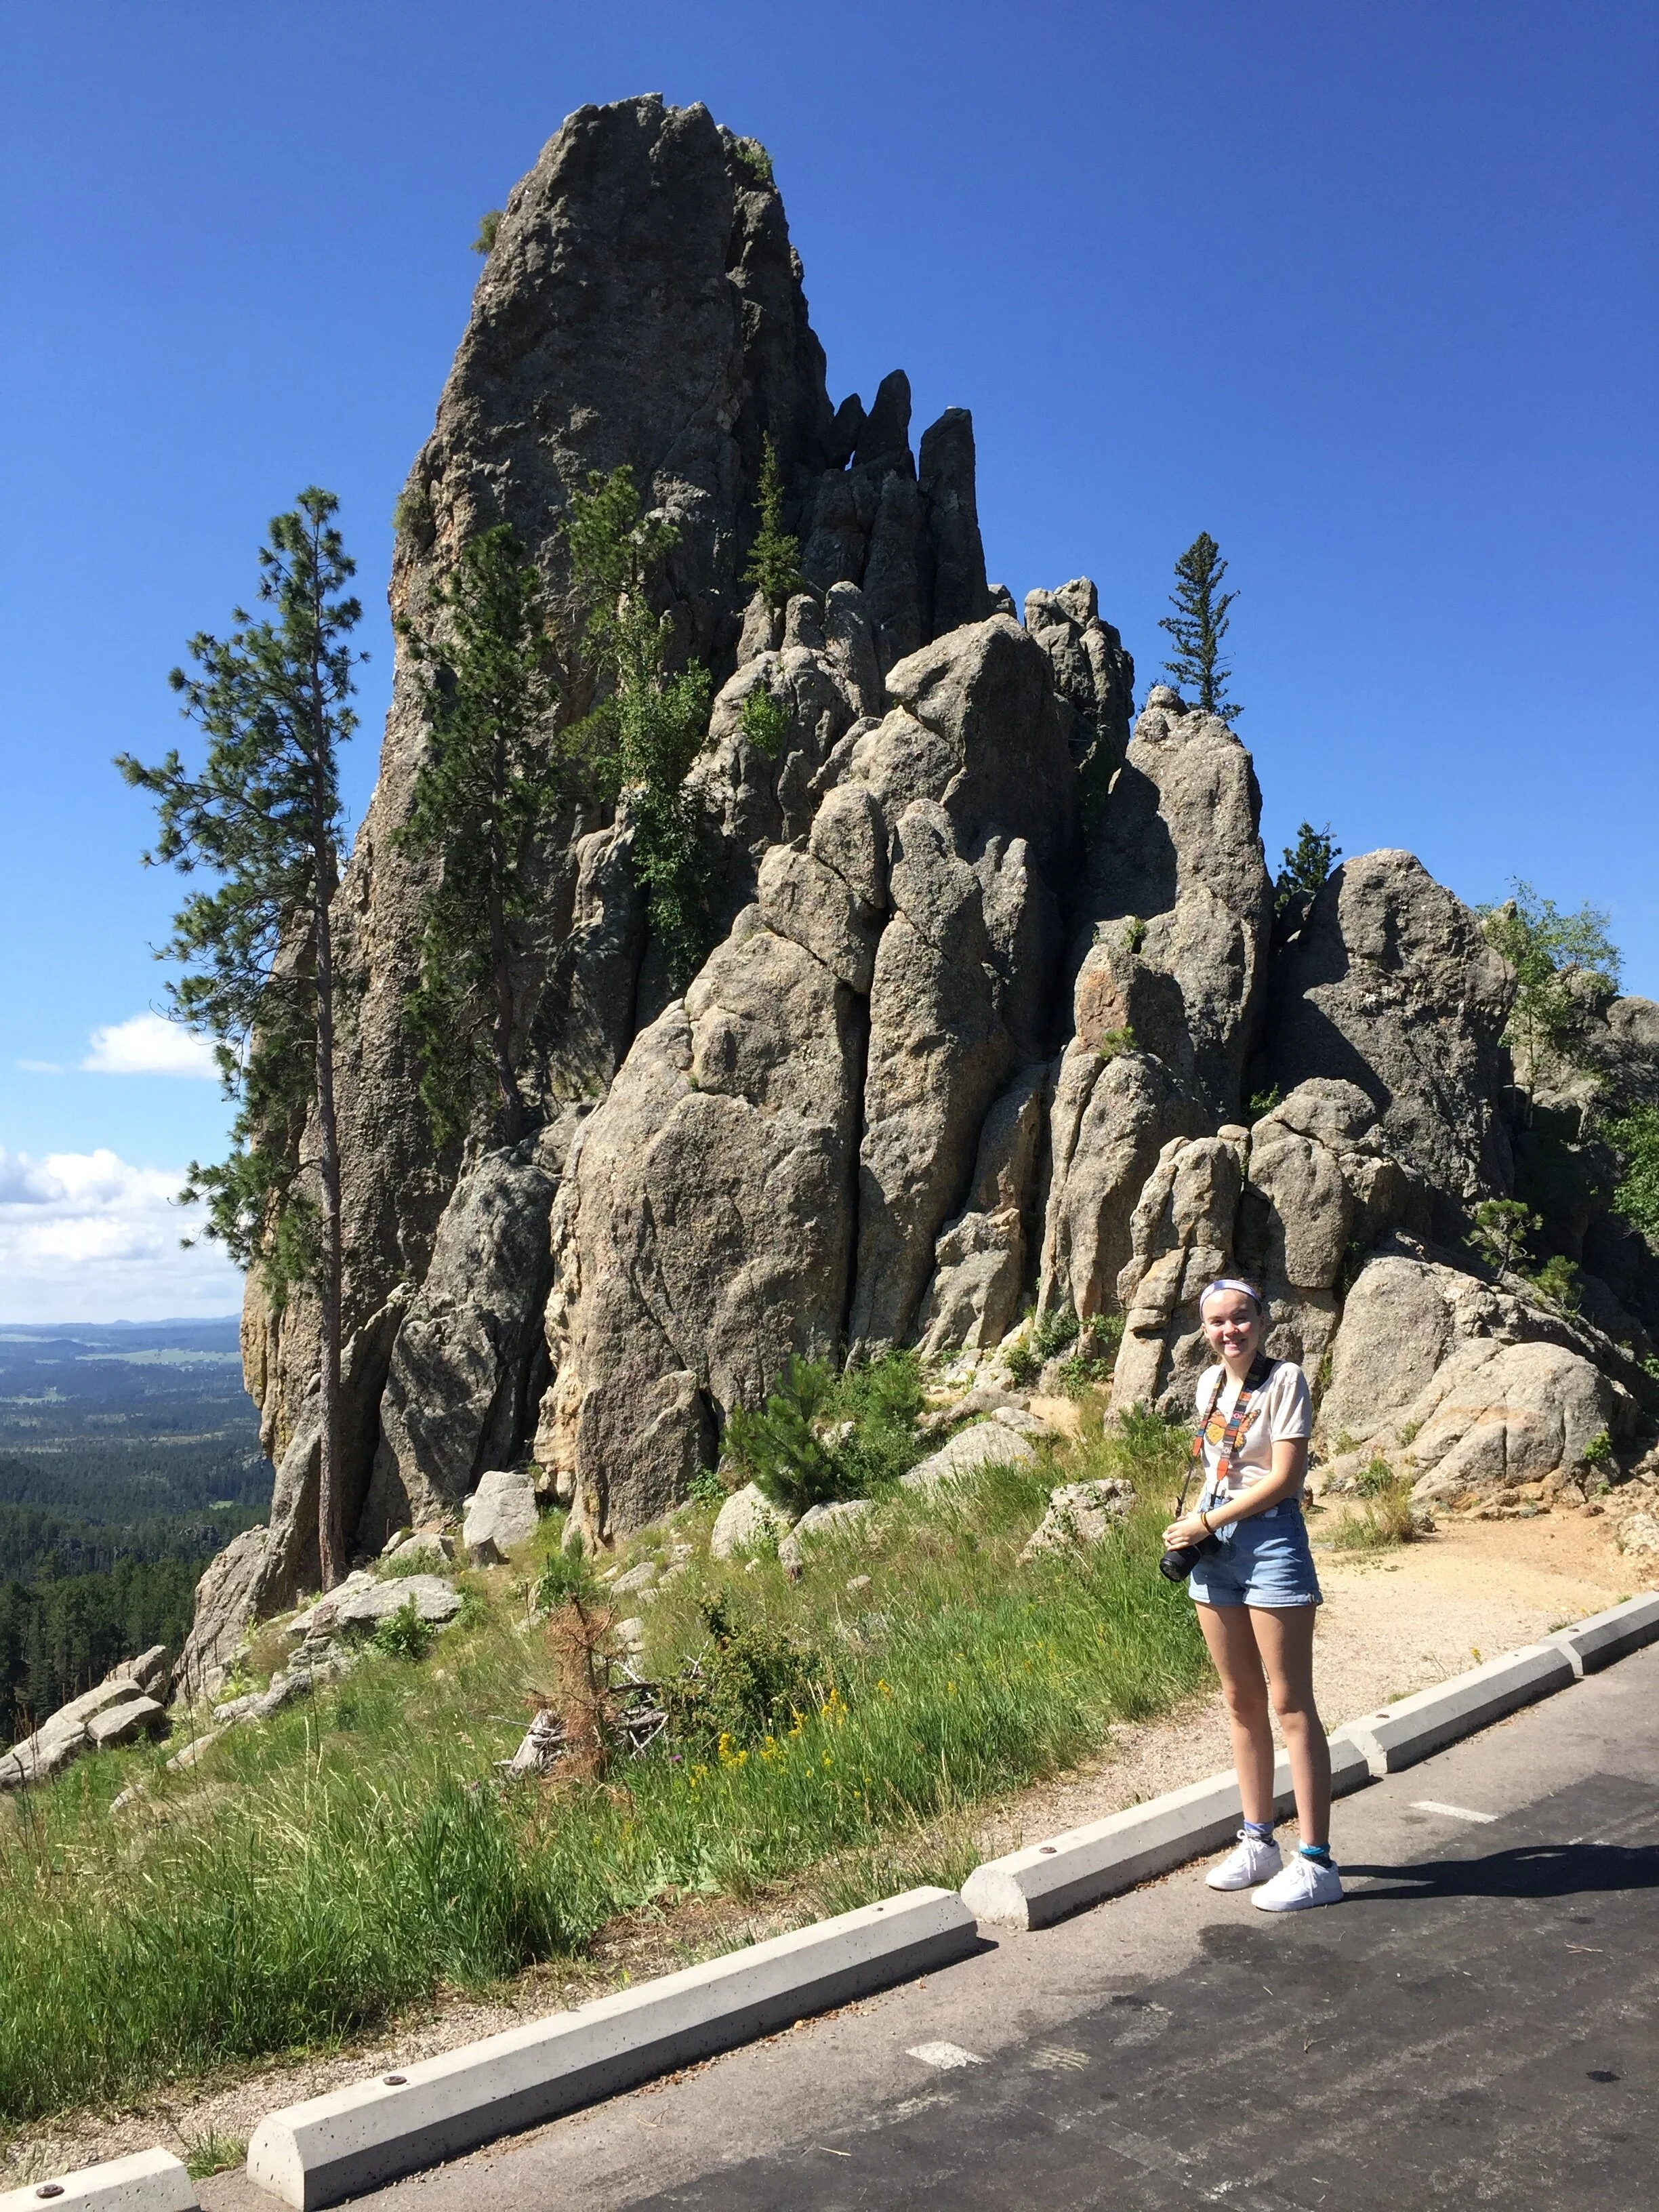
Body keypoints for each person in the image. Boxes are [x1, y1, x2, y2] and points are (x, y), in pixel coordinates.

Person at [1161, 1277, 1342, 1910]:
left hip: (1270, 1545)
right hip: (1217, 1550)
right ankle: (1259, 1840)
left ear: (1261, 1321)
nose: (1229, 1331)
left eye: (1241, 1319)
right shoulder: (1209, 1385)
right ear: (1204, 1330)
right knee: (1240, 1701)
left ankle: (1317, 1863)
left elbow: (1287, 1479)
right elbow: (1219, 1465)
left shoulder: (1285, 1379)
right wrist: (1193, 1523)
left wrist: (1206, 1522)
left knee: (1291, 1705)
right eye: (1216, 1322)